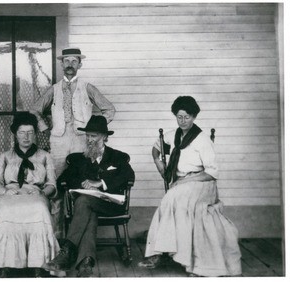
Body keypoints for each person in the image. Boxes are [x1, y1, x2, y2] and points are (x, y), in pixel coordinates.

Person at [138, 96, 242, 277]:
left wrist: (183, 182)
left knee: (171, 198)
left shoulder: (202, 140)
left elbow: (211, 173)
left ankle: (168, 253)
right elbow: (156, 148)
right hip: (180, 184)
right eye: (179, 117)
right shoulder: (173, 135)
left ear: (194, 117)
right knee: (172, 200)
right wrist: (159, 163)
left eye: (187, 117)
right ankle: (162, 251)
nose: (183, 121)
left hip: (202, 183)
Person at [42, 115, 135, 277]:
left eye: (94, 136)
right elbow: (63, 180)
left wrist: (101, 182)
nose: (90, 140)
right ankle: (86, 262)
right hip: (85, 205)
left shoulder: (117, 157)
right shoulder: (78, 159)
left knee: (84, 203)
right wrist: (82, 182)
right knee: (86, 206)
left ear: (105, 137)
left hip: (110, 205)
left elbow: (128, 175)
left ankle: (68, 250)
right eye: (88, 136)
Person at [0, 112, 62, 278]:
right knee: (4, 213)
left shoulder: (45, 156)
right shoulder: (5, 157)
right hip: (8, 195)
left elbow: (52, 185)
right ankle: (4, 264)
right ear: (15, 134)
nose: (26, 137)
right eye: (22, 132)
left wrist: (41, 191)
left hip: (35, 194)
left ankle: (39, 264)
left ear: (35, 134)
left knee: (40, 208)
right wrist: (5, 191)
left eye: (30, 132)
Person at [30, 47, 116, 177]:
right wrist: (45, 129)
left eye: (74, 61)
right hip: (58, 139)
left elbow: (109, 109)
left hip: (82, 138)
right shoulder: (54, 89)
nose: (70, 65)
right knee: (57, 173)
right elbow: (34, 110)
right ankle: (59, 198)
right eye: (67, 61)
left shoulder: (88, 88)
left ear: (79, 65)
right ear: (61, 64)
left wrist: (95, 128)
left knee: (82, 171)